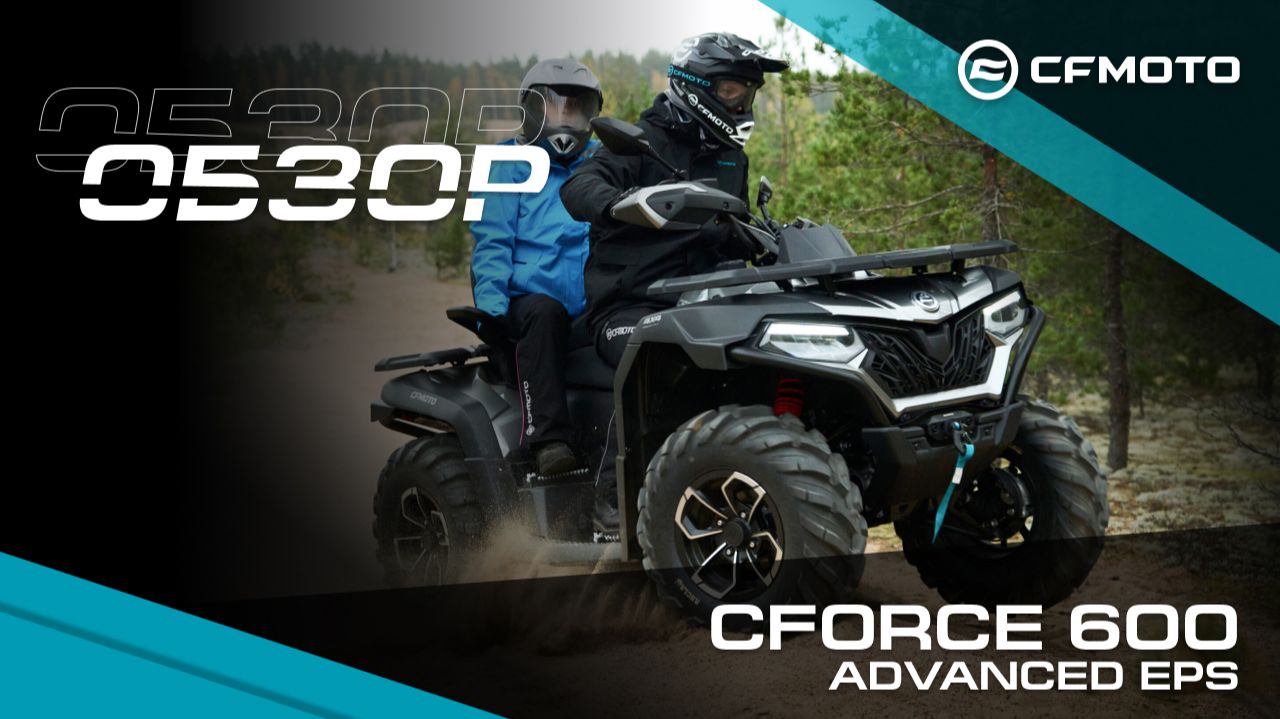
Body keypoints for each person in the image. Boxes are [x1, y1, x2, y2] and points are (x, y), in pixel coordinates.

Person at [560, 32, 788, 531]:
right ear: (695, 86)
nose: (741, 103)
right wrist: (621, 202)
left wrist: (762, 239)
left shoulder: (731, 156)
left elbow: (728, 227)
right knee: (656, 354)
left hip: (706, 301)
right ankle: (612, 500)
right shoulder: (640, 143)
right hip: (629, 305)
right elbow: (579, 186)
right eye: (731, 90)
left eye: (748, 92)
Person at [470, 58, 603, 477]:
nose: (564, 119)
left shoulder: (600, 162)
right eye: (553, 108)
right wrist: (491, 314)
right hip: (526, 300)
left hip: (591, 299)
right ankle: (548, 441)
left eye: (575, 110)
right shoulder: (504, 162)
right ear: (530, 110)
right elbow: (491, 239)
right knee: (546, 313)